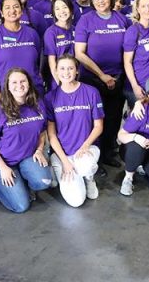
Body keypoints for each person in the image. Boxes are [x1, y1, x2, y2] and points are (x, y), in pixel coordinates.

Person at [0, 68, 52, 213]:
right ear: (8, 86)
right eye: (14, 82)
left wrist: (39, 149)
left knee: (44, 182)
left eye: (23, 81)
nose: (19, 85)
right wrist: (3, 168)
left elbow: (42, 131)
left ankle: (21, 182)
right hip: (2, 163)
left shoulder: (38, 104)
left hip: (26, 157)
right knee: (21, 206)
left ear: (29, 83)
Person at [74, 0, 131, 168]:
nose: (101, 1)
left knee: (114, 117)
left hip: (118, 78)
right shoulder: (85, 20)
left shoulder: (122, 20)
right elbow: (79, 53)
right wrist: (102, 75)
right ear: (91, 0)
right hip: (92, 79)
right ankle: (92, 156)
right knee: (94, 118)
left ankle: (109, 152)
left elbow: (130, 49)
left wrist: (117, 76)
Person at [45, 55, 103, 207]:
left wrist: (85, 146)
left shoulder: (91, 92)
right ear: (56, 71)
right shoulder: (50, 98)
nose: (66, 72)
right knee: (76, 202)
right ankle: (60, 167)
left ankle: (88, 178)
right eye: (62, 68)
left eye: (70, 68)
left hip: (87, 149)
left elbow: (98, 126)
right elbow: (51, 135)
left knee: (84, 167)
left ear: (77, 71)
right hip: (63, 154)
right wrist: (65, 162)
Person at [0, 0, 44, 101]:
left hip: (34, 91)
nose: (12, 10)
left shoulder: (32, 33)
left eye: (16, 6)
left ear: (21, 10)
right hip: (8, 93)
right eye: (7, 7)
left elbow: (38, 61)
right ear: (1, 13)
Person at [43, 0, 75, 89]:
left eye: (65, 7)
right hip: (59, 80)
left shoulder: (76, 29)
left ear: (71, 9)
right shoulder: (51, 32)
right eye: (57, 9)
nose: (62, 11)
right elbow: (51, 61)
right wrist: (60, 83)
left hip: (76, 76)